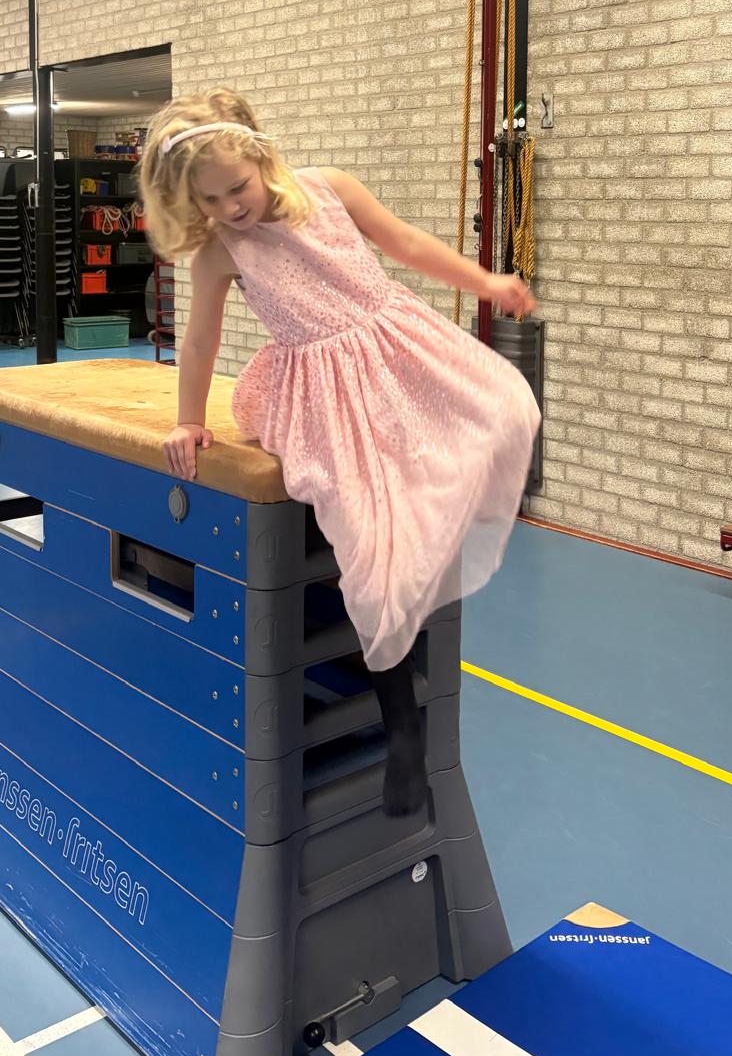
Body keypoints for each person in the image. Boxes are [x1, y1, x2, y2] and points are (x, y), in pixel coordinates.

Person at [139, 87, 540, 815]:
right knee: (367, 555)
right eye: (210, 200)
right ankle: (402, 726)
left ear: (262, 158)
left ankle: (429, 565)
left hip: (398, 350)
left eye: (237, 188)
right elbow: (198, 341)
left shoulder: (330, 190)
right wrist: (187, 420)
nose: (230, 207)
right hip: (321, 392)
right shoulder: (220, 252)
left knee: (510, 408)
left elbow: (407, 245)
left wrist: (486, 282)